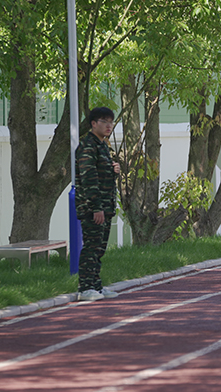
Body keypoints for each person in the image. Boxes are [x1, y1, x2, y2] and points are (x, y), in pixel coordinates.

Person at [75, 107, 121, 302]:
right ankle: (85, 287)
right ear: (93, 124)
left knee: (99, 249)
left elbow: (102, 175)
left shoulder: (103, 145)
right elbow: (89, 178)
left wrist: (114, 170)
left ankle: (95, 285)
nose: (109, 125)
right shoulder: (88, 146)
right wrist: (96, 207)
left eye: (111, 121)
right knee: (91, 247)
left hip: (105, 205)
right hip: (93, 207)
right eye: (104, 121)